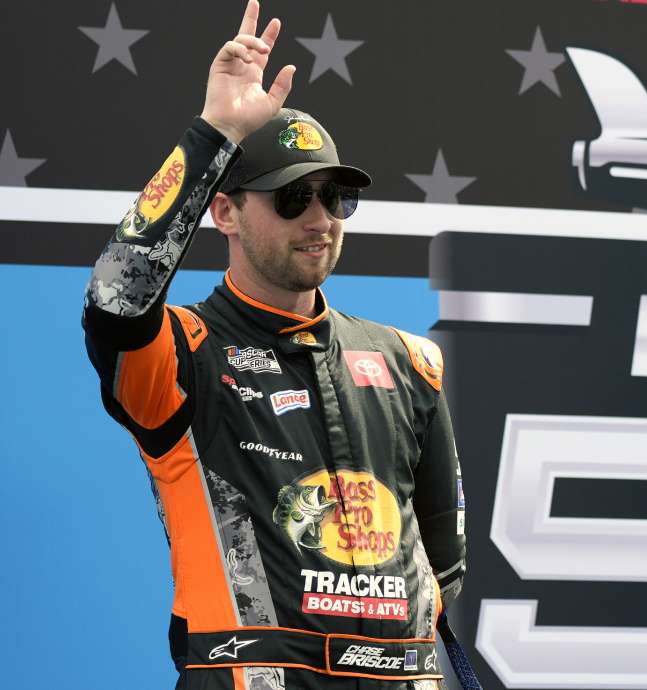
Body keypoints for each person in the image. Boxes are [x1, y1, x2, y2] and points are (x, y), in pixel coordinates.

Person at [81, 2, 465, 688]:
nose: (319, 219)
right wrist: (217, 132)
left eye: (334, 197)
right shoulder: (183, 353)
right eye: (291, 199)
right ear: (224, 211)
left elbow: (444, 565)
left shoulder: (410, 363)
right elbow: (116, 294)